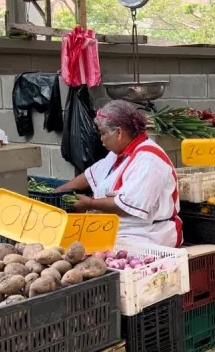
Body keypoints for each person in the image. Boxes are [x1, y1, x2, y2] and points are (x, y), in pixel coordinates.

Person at [54, 100, 183, 248]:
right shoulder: (118, 153)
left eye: (103, 133)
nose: (101, 140)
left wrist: (89, 204)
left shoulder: (149, 159)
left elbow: (125, 206)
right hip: (117, 229)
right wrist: (59, 190)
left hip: (146, 235)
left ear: (119, 132)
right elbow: (90, 175)